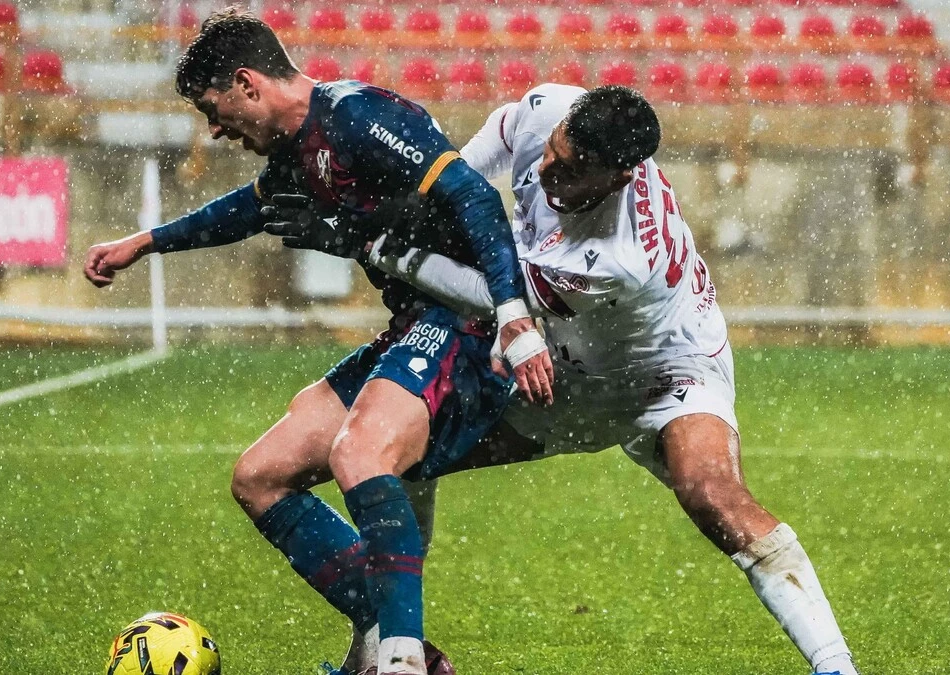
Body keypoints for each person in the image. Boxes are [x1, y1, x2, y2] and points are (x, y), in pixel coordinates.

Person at [318, 83, 859, 674]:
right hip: (568, 370)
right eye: (553, 149)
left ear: (620, 177)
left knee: (714, 496)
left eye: (571, 170)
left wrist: (387, 250)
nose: (547, 170)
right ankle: (380, 653)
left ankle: (836, 665)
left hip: (664, 368)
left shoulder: (616, 255)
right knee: (407, 454)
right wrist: (433, 203)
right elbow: (504, 133)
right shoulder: (551, 109)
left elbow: (497, 296)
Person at [81, 10, 554, 675]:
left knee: (360, 452)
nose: (214, 129)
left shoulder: (358, 116)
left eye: (214, 110)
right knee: (260, 478)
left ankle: (400, 661)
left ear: (247, 84)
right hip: (412, 324)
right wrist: (145, 242)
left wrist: (511, 314)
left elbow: (473, 197)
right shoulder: (293, 151)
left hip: (463, 321)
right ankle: (385, 631)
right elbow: (248, 209)